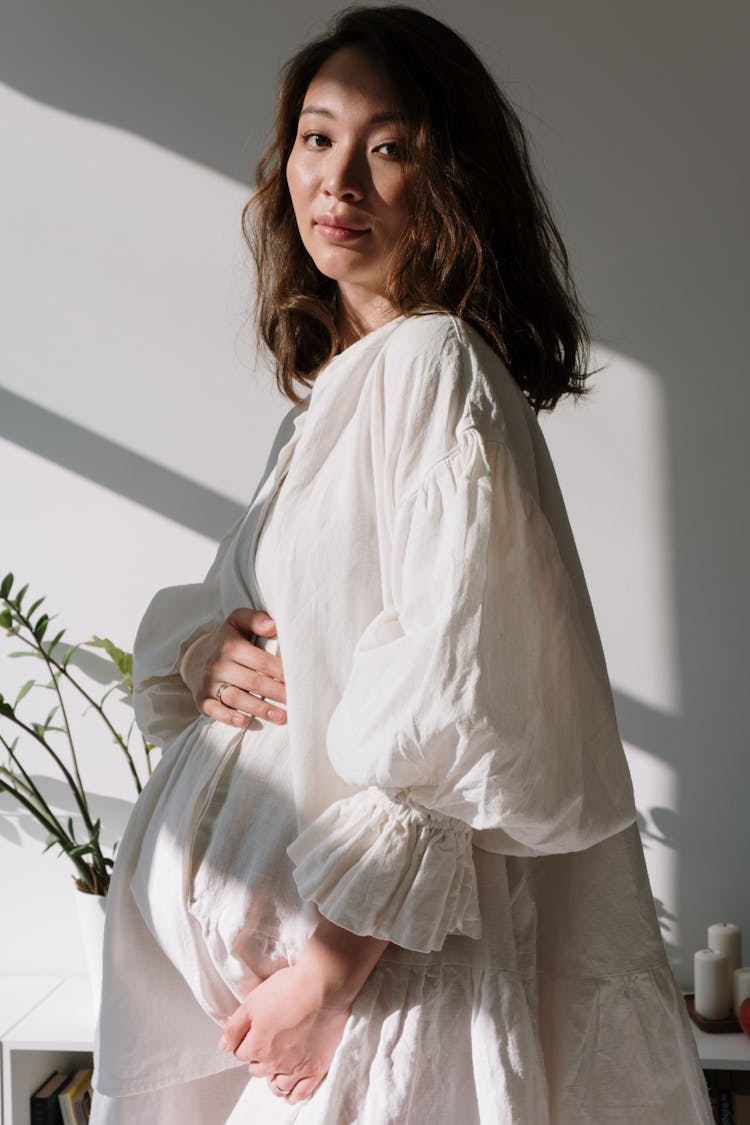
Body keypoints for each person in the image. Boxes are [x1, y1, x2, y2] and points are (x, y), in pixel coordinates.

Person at [90, 6, 713, 1124]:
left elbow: (452, 700)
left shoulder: (432, 366)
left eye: (389, 147)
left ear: (449, 180)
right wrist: (204, 648)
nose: (341, 180)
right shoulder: (343, 392)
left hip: (383, 995)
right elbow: (285, 637)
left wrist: (327, 976)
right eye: (318, 137)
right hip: (331, 993)